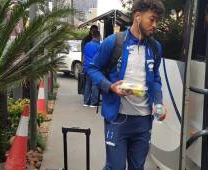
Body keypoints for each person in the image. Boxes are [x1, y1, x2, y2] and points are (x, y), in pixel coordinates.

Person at [87, 0, 166, 169]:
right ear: (137, 16)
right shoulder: (113, 42)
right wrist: (111, 86)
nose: (155, 25)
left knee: (137, 167)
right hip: (117, 119)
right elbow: (92, 69)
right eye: (151, 19)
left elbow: (156, 79)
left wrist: (159, 102)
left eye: (157, 20)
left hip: (144, 121)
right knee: (115, 167)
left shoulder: (156, 48)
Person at [83, 30, 101, 107]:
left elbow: (84, 56)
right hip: (95, 68)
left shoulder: (87, 44)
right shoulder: (99, 46)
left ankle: (86, 102)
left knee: (87, 84)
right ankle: (94, 103)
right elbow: (100, 58)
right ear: (98, 36)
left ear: (92, 36)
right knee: (95, 85)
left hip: (87, 67)